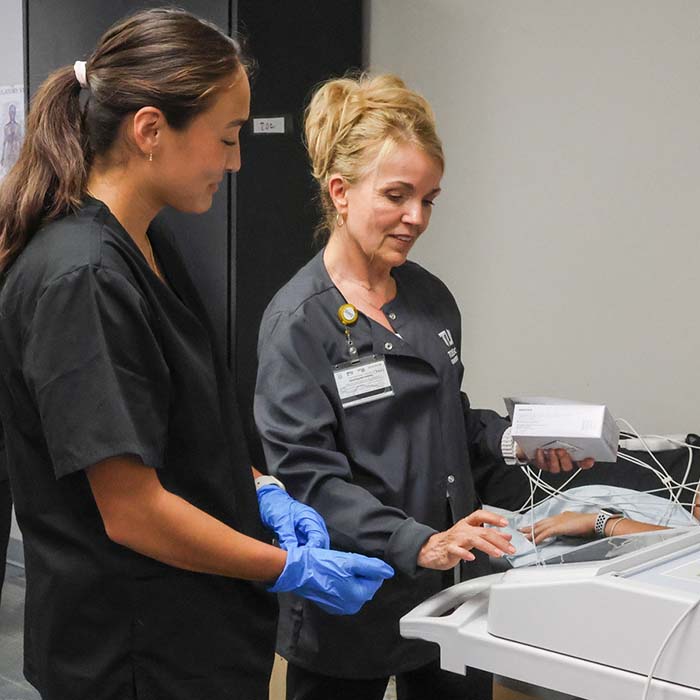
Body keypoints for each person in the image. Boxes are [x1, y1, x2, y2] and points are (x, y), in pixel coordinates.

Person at [0, 10, 393, 700]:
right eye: (228, 137)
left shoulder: (147, 245)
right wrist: (282, 567)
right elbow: (133, 510)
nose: (237, 161)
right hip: (132, 656)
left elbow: (175, 428)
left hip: (193, 641)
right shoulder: (82, 278)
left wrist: (262, 490)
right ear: (151, 130)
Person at [254, 73, 595, 700]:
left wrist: (520, 442)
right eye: (397, 195)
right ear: (340, 193)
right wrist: (419, 541)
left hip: (451, 586)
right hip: (353, 592)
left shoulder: (430, 299)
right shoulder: (299, 323)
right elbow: (311, 478)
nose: (416, 218)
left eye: (430, 199)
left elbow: (449, 420)